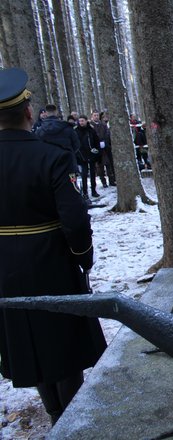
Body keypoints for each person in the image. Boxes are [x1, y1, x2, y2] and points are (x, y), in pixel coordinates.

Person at [0, 68, 106, 425]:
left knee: (28, 338)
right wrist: (83, 258)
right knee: (65, 342)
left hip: (4, 267)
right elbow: (74, 219)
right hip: (52, 260)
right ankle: (70, 417)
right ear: (30, 112)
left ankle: (56, 413)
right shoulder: (52, 156)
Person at [76, 115, 101, 199]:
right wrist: (78, 155)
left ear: (86, 121)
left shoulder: (91, 130)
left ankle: (94, 190)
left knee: (93, 174)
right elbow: (75, 144)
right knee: (84, 174)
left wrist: (97, 151)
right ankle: (85, 192)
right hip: (82, 156)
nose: (81, 123)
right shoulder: (76, 131)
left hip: (91, 155)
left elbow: (96, 141)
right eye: (80, 121)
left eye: (82, 121)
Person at [90, 110, 116, 187]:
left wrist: (105, 142)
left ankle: (111, 180)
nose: (96, 117)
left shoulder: (103, 124)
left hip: (105, 147)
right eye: (94, 115)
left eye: (97, 115)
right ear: (92, 116)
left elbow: (107, 133)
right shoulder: (90, 126)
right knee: (99, 166)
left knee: (108, 165)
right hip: (97, 148)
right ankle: (103, 181)